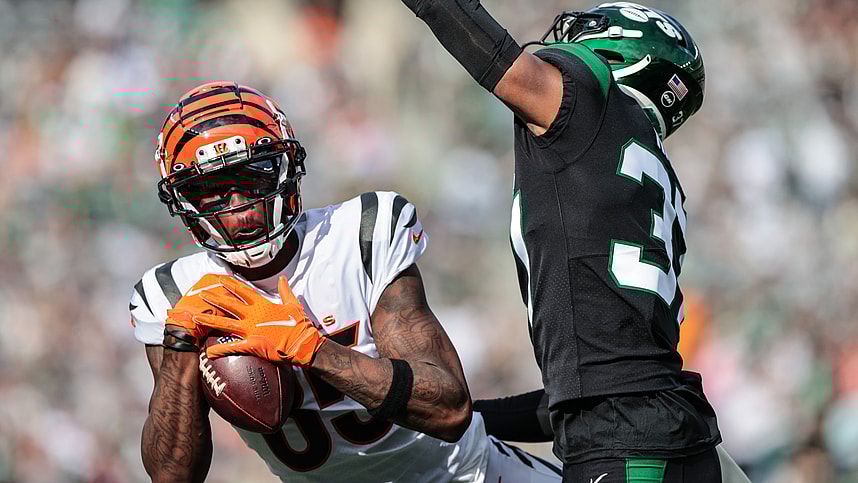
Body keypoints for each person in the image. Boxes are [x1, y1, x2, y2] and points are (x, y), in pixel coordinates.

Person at [130, 81, 562, 482]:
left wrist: (312, 349)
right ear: (183, 202)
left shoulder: (360, 234)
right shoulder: (171, 295)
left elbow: (449, 409)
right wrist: (180, 351)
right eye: (214, 190)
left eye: (253, 177)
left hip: (466, 475)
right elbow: (172, 475)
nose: (241, 208)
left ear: (287, 170)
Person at [397, 1, 750, 482]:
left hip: (625, 449)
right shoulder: (648, 175)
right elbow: (595, 387)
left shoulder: (591, 100)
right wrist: (461, 415)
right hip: (669, 439)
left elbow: (495, 58)